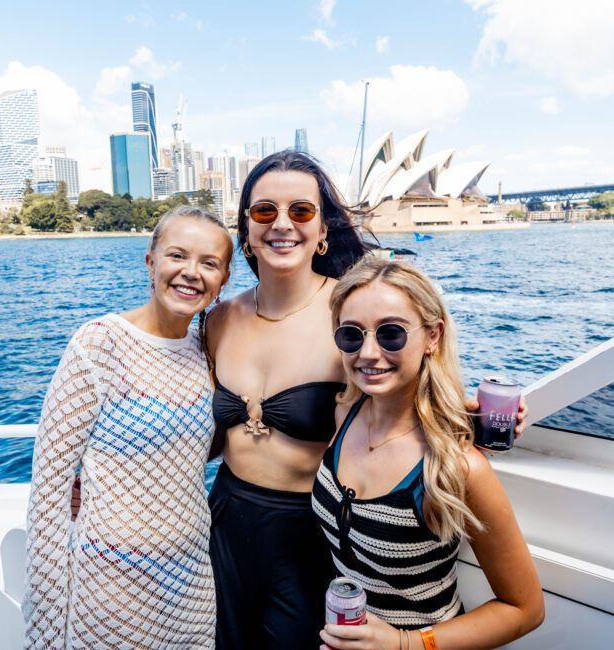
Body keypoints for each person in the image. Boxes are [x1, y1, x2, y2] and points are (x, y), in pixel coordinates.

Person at [205, 150, 529, 649]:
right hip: (225, 517)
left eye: (302, 211)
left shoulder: (351, 315)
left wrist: (479, 414)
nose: (282, 224)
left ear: (322, 229)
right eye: (264, 211)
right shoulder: (218, 320)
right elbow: (189, 419)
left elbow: (404, 373)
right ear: (245, 226)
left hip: (312, 531)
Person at [23, 207, 232, 650]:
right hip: (111, 588)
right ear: (151, 263)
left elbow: (187, 448)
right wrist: (43, 633)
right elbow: (48, 497)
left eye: (209, 263)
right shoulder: (99, 344)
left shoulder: (206, 351)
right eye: (177, 256)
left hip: (191, 582)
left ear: (222, 281)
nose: (191, 273)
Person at [314, 256, 544, 650]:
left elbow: (524, 608)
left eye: (391, 334)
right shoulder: (344, 414)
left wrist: (405, 644)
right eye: (351, 334)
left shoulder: (459, 466)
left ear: (432, 336)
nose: (368, 352)